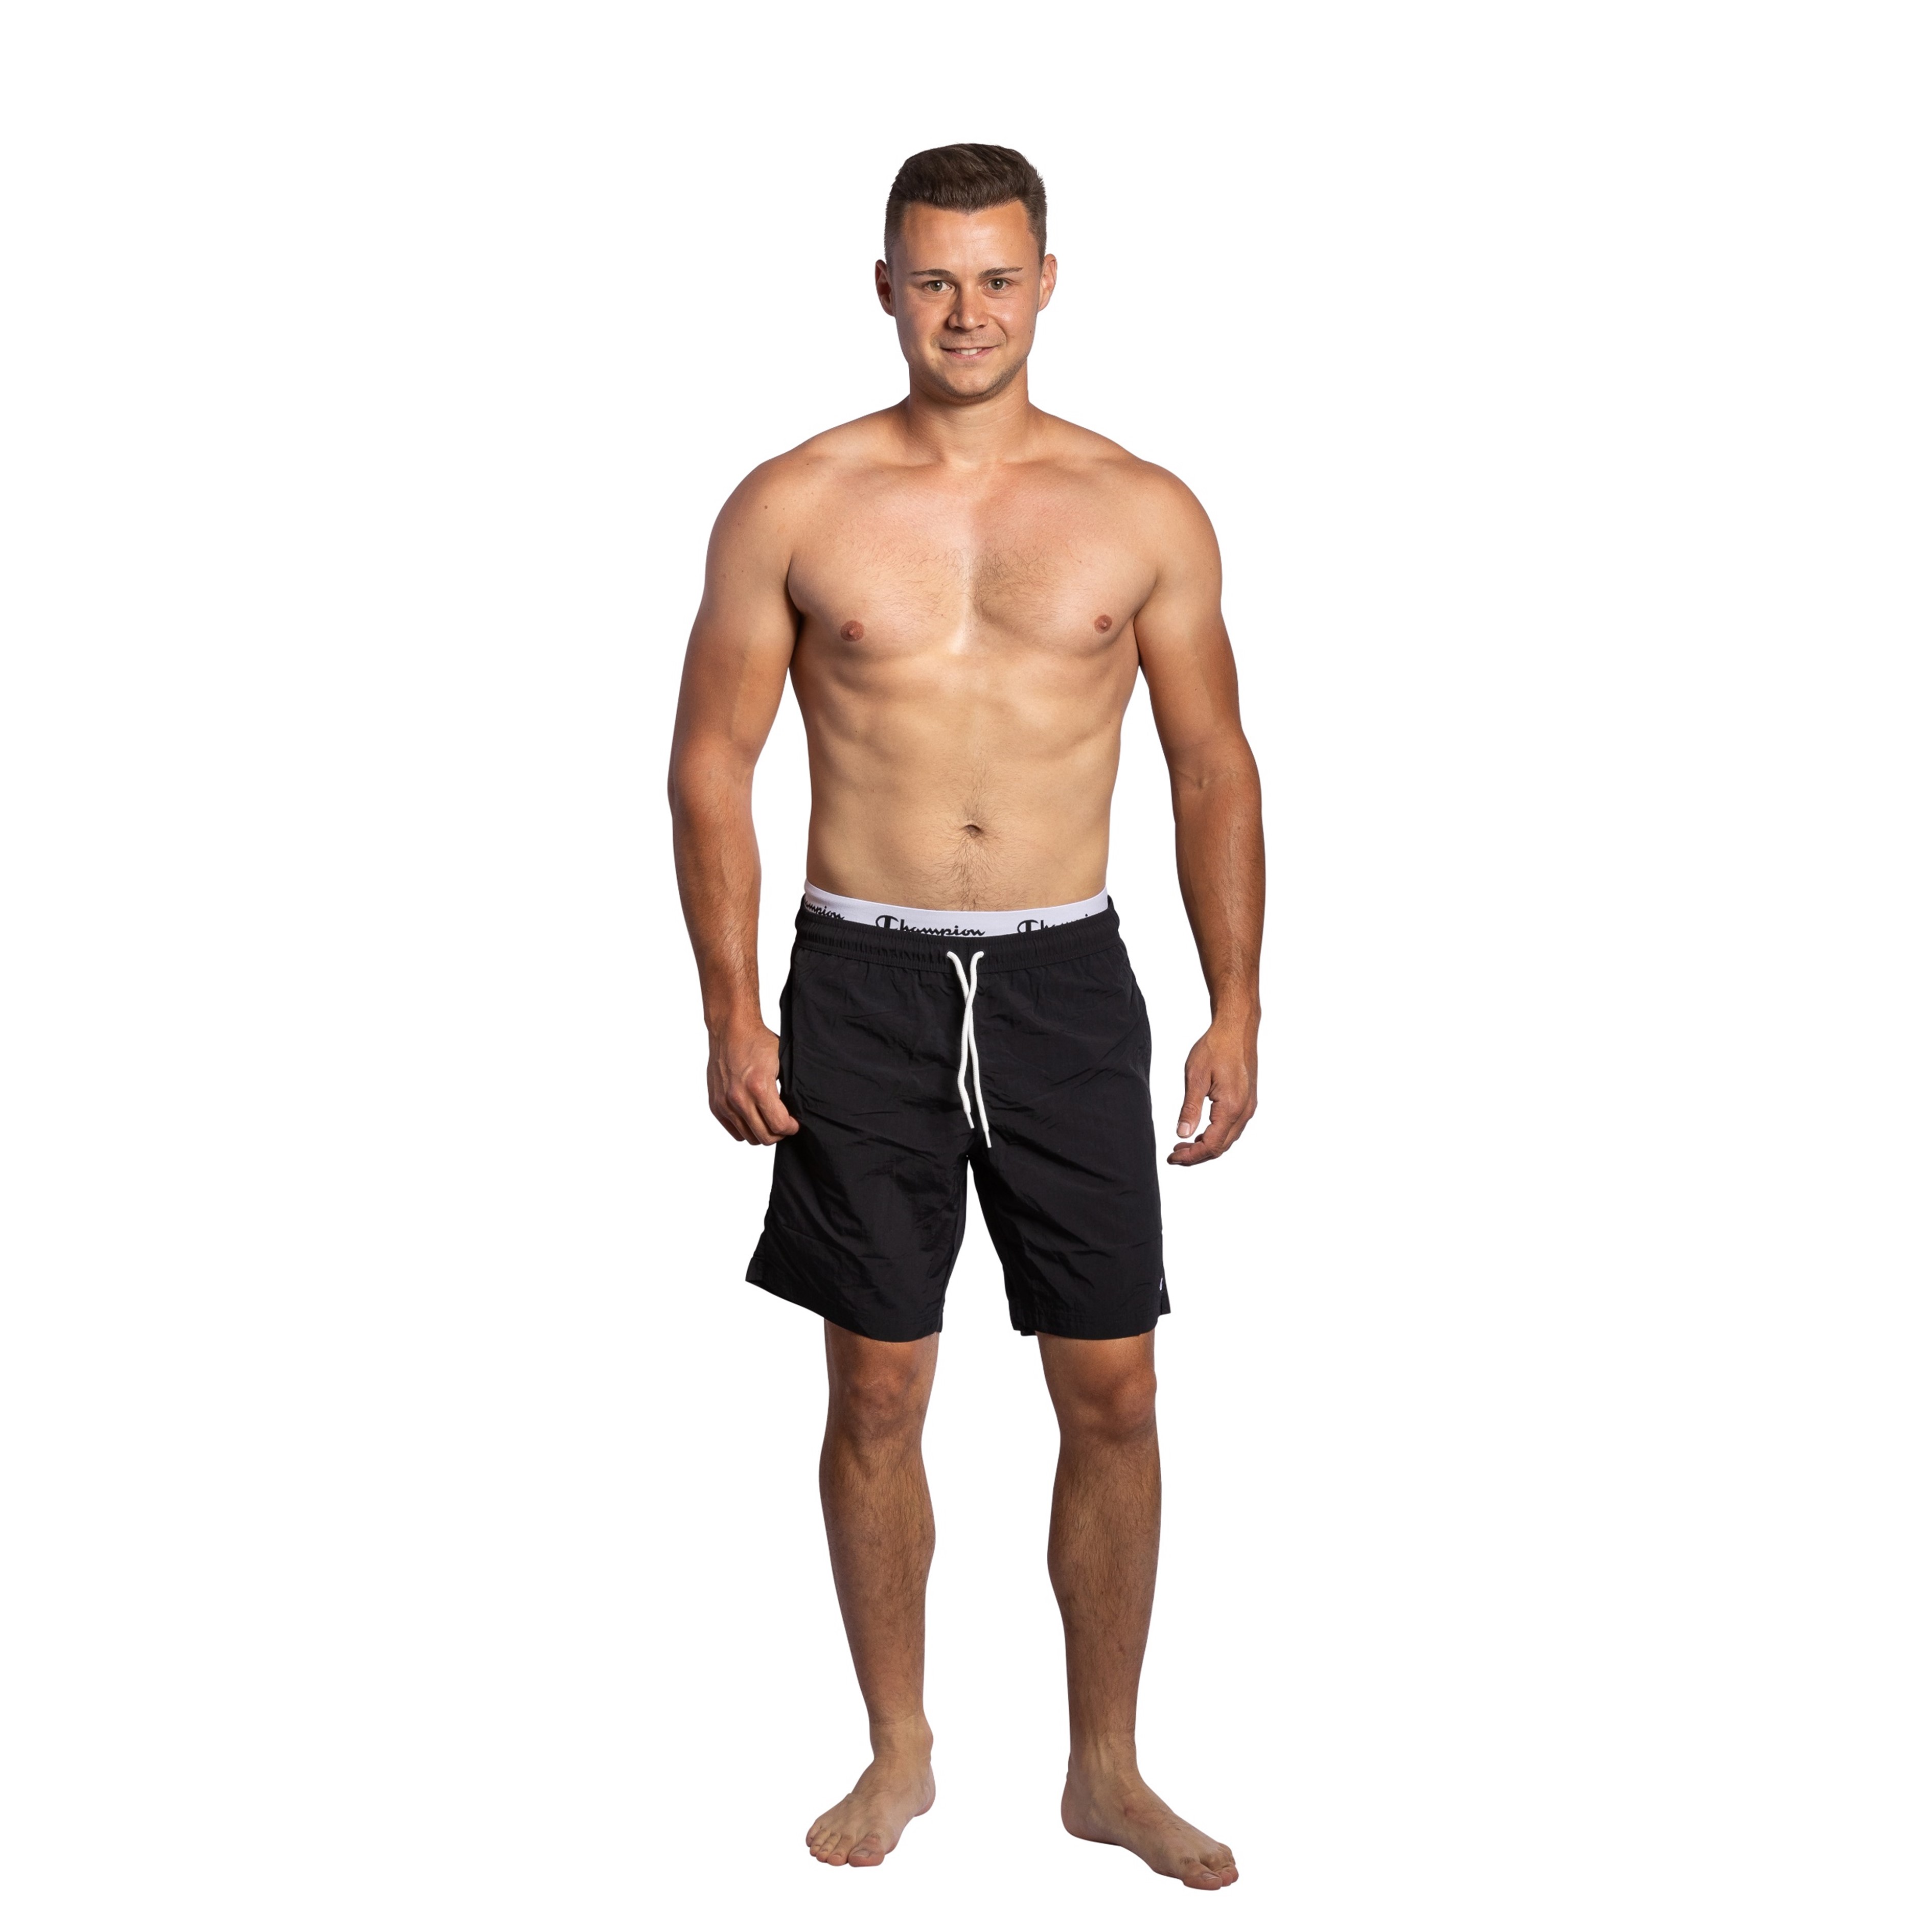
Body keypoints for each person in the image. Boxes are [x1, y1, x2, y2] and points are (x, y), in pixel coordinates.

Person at [669, 143, 1261, 1892]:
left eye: (997, 277)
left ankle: (1105, 1766)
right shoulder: (794, 500)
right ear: (884, 288)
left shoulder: (1143, 508)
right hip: (862, 977)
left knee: (1116, 1387)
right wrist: (729, 1005)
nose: (966, 311)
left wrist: (1235, 1000)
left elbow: (1211, 762)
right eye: (933, 279)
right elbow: (711, 761)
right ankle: (899, 1743)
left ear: (1046, 283)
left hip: (1066, 976)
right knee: (876, 1382)